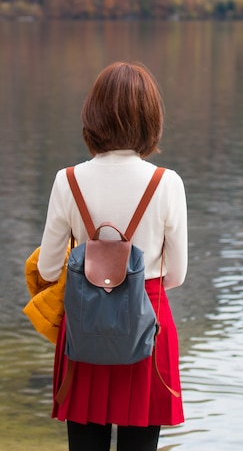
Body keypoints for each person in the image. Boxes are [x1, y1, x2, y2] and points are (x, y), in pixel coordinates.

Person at [37, 61, 188, 451]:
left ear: (93, 116)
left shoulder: (67, 180)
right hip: (147, 327)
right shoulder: (166, 183)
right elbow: (176, 276)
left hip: (86, 329)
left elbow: (49, 269)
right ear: (151, 119)